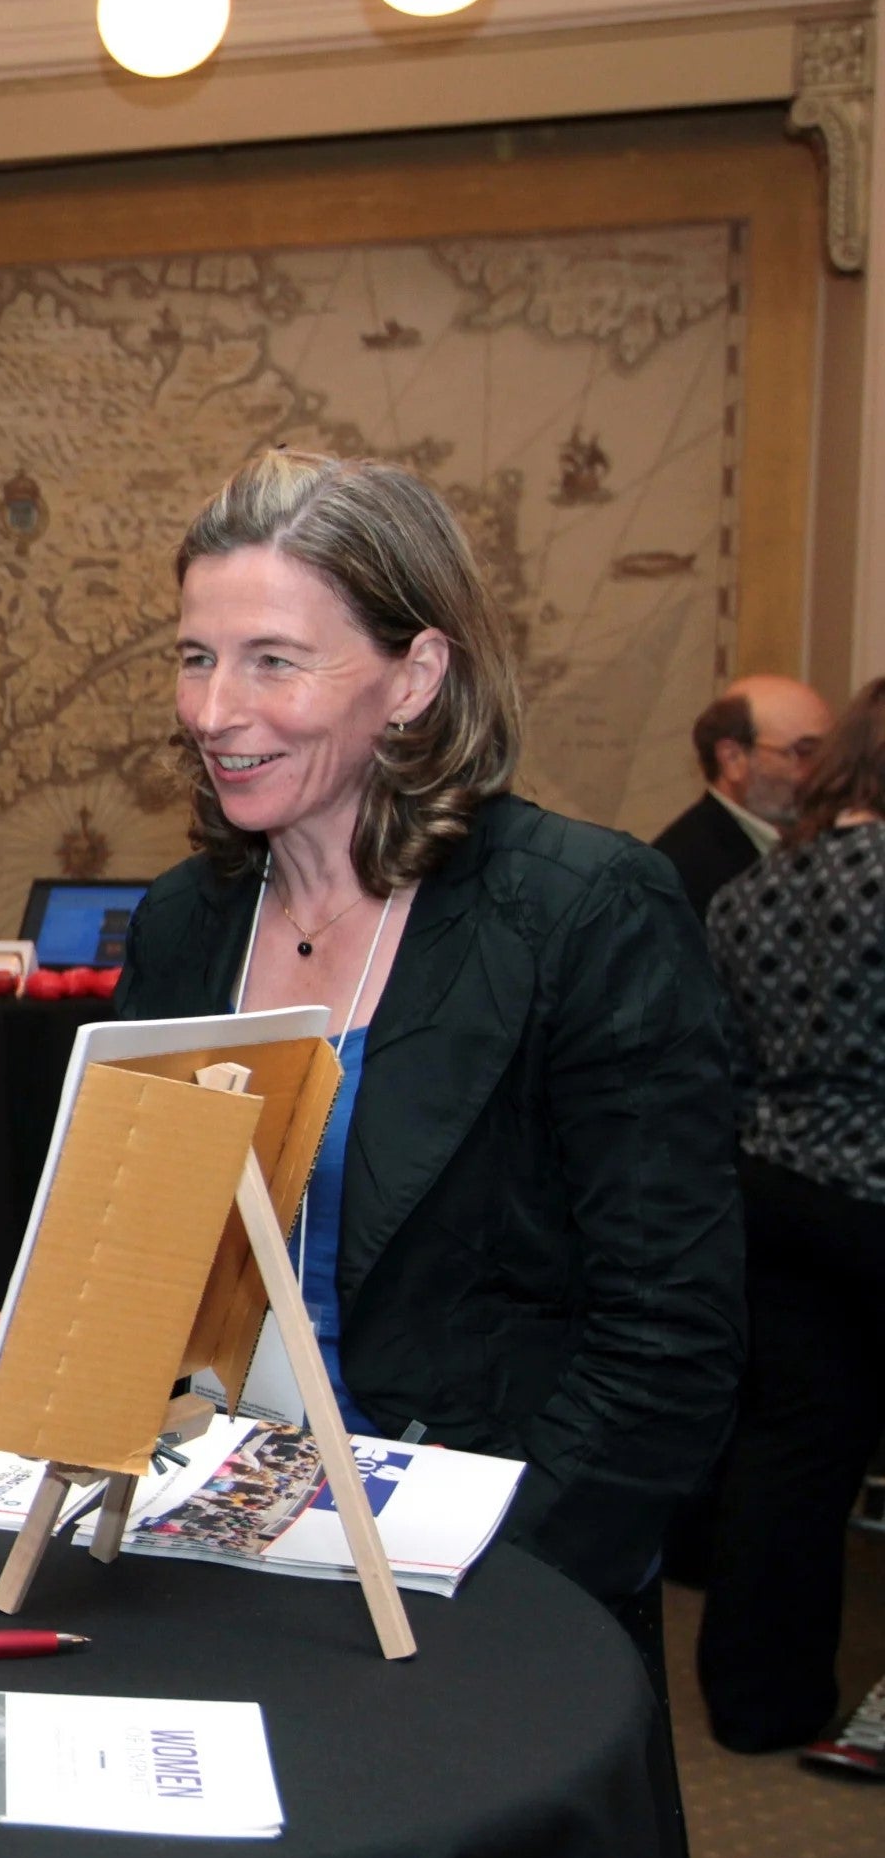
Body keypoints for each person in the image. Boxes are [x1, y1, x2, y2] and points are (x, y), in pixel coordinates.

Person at [114, 448, 743, 1620]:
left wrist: (503, 1588)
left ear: (414, 678)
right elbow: (139, 1265)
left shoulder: (583, 913)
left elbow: (668, 1336)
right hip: (215, 1555)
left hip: (496, 1576)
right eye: (197, 658)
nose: (212, 711)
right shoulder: (185, 922)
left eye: (273, 662)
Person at [693, 677, 885, 1765]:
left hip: (777, 1192)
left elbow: (726, 1063)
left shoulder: (756, 891)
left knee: (790, 1451)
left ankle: (761, 1701)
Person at [651, 673, 834, 918]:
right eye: (805, 752)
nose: (825, 770)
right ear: (733, 759)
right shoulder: (679, 870)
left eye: (831, 752)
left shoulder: (821, 842)